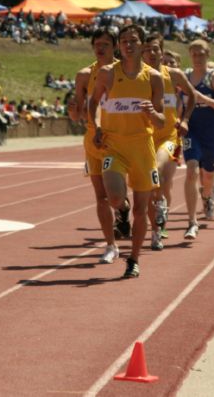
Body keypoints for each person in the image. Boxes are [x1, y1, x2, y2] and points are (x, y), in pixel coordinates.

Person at [89, 24, 165, 279]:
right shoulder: (107, 73)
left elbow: (162, 121)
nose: (127, 45)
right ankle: (121, 210)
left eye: (133, 41)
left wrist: (153, 113)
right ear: (119, 45)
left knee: (142, 211)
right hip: (115, 145)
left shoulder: (154, 77)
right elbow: (93, 102)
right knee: (112, 197)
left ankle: (133, 259)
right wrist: (97, 126)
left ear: (142, 44)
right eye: (123, 41)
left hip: (143, 147)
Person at [67, 28, 129, 265]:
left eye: (105, 44)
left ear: (115, 47)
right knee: (101, 197)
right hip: (94, 140)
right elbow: (79, 114)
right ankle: (111, 245)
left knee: (116, 196)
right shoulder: (84, 75)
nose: (100, 48)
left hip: (119, 141)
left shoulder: (125, 72)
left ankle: (123, 209)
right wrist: (74, 112)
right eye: (97, 44)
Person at [141, 32, 196, 250]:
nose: (152, 53)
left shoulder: (173, 75)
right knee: (152, 187)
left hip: (170, 137)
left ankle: (158, 222)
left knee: (157, 174)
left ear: (162, 52)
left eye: (156, 49)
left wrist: (185, 121)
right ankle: (156, 228)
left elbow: (192, 96)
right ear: (141, 52)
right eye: (147, 49)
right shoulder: (136, 76)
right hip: (144, 137)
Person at [182, 39, 214, 240]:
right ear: (189, 55)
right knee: (191, 170)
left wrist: (206, 100)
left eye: (201, 53)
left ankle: (207, 198)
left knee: (207, 177)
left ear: (208, 54)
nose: (197, 57)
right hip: (191, 131)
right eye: (193, 53)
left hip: (211, 134)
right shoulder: (184, 77)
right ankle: (192, 221)